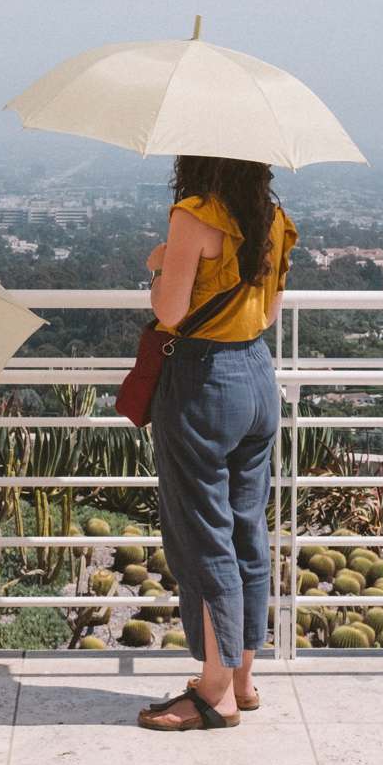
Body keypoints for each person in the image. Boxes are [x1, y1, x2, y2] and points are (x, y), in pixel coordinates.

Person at [137, 155, 297, 731]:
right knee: (246, 529)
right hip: (257, 376)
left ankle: (213, 691)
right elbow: (270, 312)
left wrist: (158, 266)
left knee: (205, 537)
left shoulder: (194, 216)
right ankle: (242, 677)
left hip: (205, 383)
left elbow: (170, 310)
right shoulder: (272, 217)